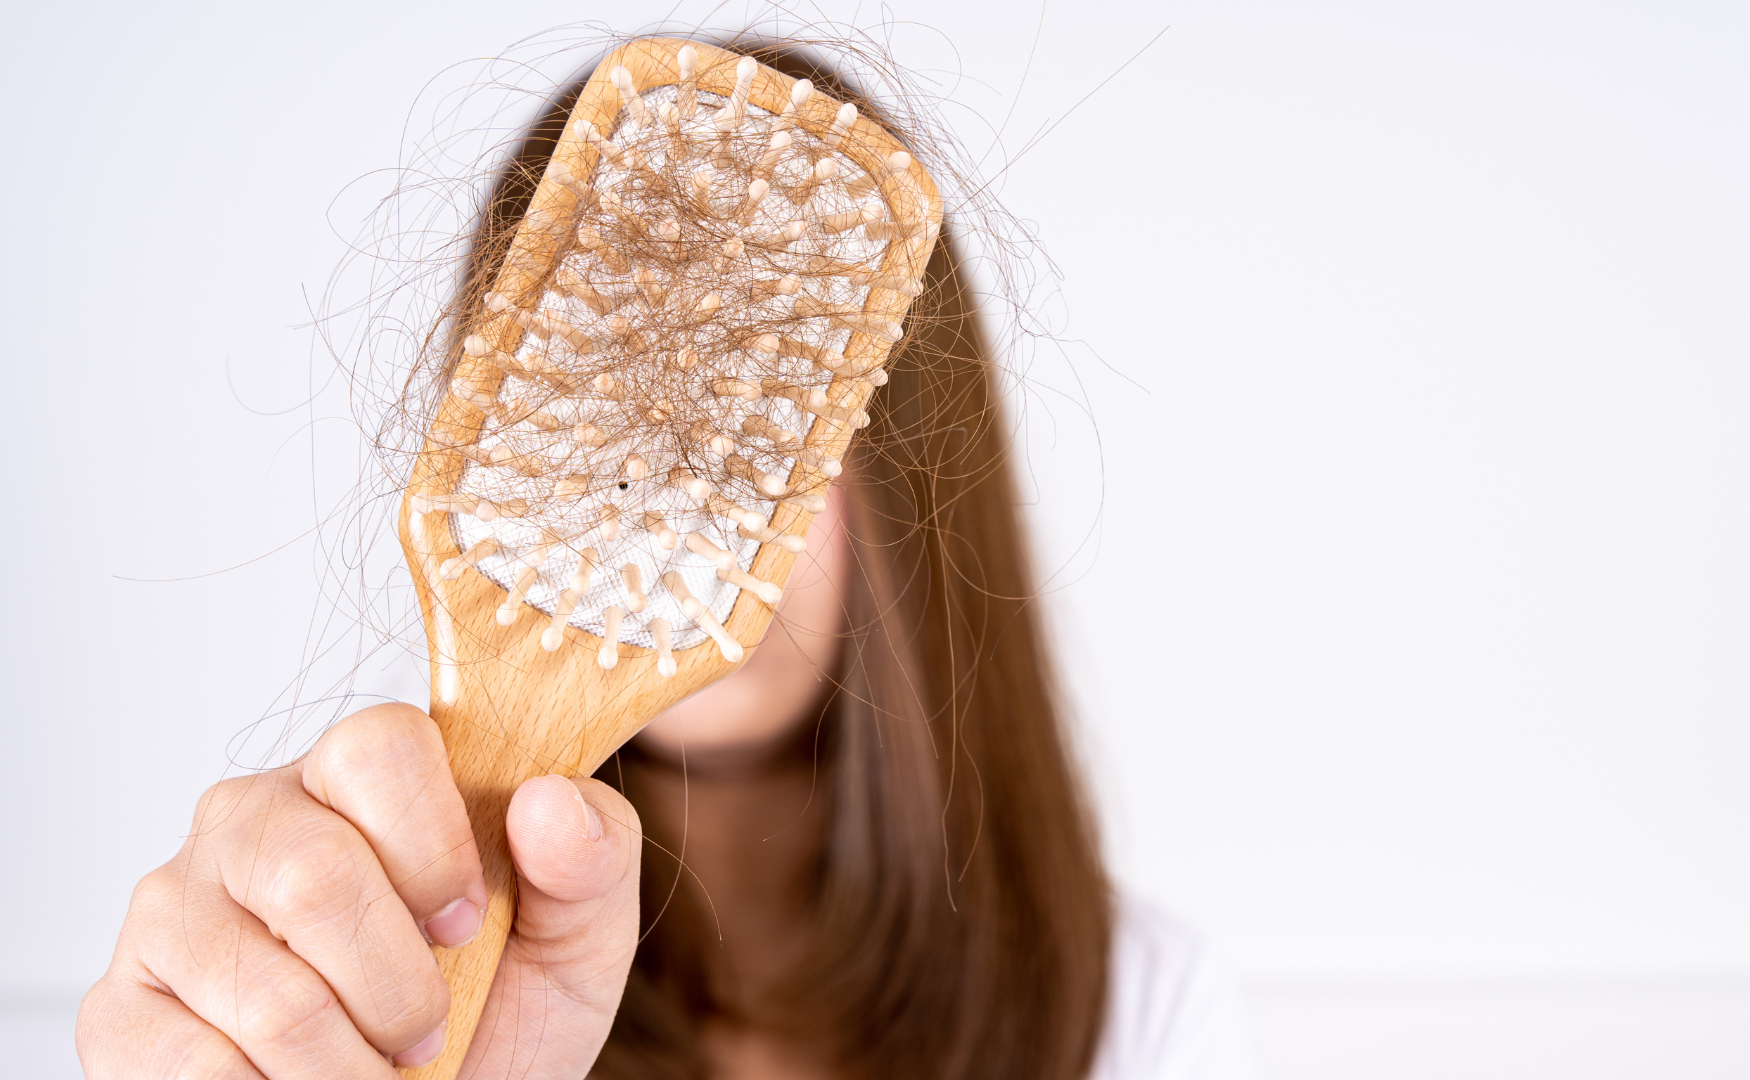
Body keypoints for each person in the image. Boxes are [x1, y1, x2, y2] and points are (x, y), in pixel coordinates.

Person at [75, 41, 1255, 1080]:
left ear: (904, 478)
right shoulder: (340, 983)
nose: (660, 491)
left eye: (739, 422)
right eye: (594, 408)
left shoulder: (1144, 1019)